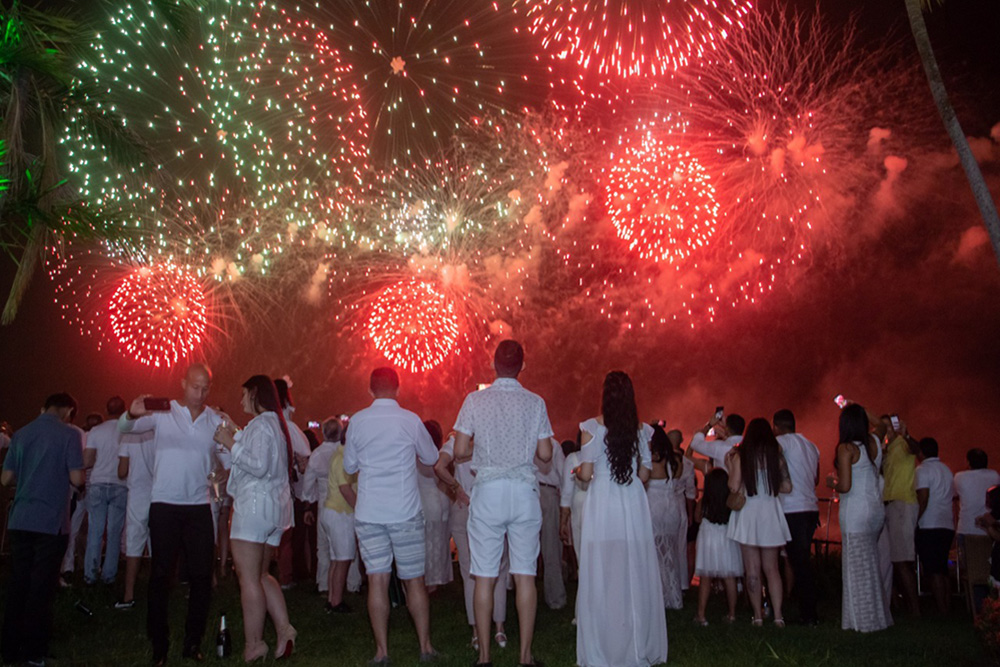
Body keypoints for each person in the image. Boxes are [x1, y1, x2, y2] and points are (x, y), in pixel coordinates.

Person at [119, 363, 231, 665]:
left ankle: (192, 642)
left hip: (199, 506)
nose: (200, 393)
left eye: (205, 388)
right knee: (160, 576)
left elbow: (229, 457)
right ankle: (159, 644)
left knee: (201, 577)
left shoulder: (213, 420)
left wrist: (225, 469)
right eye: (195, 387)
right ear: (183, 383)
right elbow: (124, 429)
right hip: (165, 504)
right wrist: (131, 413)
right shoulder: (164, 412)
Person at [453, 340, 553, 667]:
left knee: (484, 575)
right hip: (523, 492)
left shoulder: (474, 400)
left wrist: (482, 447)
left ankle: (484, 657)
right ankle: (525, 656)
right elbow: (546, 455)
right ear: (522, 366)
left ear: (493, 364)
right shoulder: (535, 402)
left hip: (489, 492)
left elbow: (460, 450)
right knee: (524, 574)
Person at [344, 367, 440, 664]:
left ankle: (382, 651)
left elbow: (349, 467)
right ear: (398, 389)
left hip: (370, 512)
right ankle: (425, 647)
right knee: (414, 580)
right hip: (404, 511)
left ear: (369, 390)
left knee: (377, 580)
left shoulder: (357, 421)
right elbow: (431, 457)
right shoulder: (410, 420)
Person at [575, 371, 667, 667]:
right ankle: (634, 641)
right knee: (632, 570)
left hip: (603, 502)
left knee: (603, 570)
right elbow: (645, 473)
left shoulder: (591, 427)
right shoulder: (641, 430)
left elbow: (586, 473)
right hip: (631, 501)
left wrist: (579, 474)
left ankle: (605, 643)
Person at [213, 375, 296, 661]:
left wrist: (230, 443)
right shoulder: (276, 424)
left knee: (248, 579)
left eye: (244, 394)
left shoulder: (261, 424)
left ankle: (254, 644)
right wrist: (236, 434)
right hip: (275, 510)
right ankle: (284, 629)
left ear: (255, 394)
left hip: (253, 509)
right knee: (261, 575)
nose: (240, 401)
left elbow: (258, 465)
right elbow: (263, 456)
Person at [1, 393, 85, 666]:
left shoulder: (21, 434)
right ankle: (34, 651)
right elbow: (76, 477)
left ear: (43, 408)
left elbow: (5, 478)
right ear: (68, 411)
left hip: (20, 519)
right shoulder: (69, 435)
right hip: (51, 522)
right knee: (41, 588)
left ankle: (9, 649)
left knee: (18, 584)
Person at [435, 432, 510, 652]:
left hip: (465, 507)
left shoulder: (455, 441)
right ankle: (499, 628)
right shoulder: (495, 438)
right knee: (498, 568)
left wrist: (456, 487)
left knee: (470, 572)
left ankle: (477, 632)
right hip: (491, 506)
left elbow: (439, 466)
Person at [829, 403, 892, 632]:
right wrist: (863, 410)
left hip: (856, 512)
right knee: (870, 564)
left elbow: (845, 485)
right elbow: (882, 425)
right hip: (875, 510)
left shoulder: (846, 448)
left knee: (855, 567)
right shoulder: (873, 442)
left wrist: (832, 483)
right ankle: (877, 616)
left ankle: (862, 620)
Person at [726, 418, 792, 627]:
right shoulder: (776, 457)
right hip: (770, 512)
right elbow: (787, 486)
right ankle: (778, 616)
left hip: (749, 513)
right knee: (772, 569)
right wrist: (768, 485)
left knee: (752, 569)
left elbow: (733, 486)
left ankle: (757, 616)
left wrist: (730, 465)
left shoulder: (742, 457)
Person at [772, 409, 821, 625]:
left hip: (793, 509)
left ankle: (808, 614)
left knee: (799, 562)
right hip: (811, 508)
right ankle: (806, 609)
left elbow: (770, 457)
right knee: (801, 560)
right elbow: (816, 478)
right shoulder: (812, 446)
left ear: (776, 426)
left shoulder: (781, 442)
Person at [82, 396, 130, 585]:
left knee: (95, 532)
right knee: (114, 533)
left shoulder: (96, 431)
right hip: (120, 484)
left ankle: (90, 575)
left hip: (98, 482)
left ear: (106, 410)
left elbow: (87, 461)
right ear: (124, 410)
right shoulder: (128, 430)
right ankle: (109, 576)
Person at [880, 414, 921, 616]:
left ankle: (915, 610)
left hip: (902, 503)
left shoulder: (903, 443)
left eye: (888, 427)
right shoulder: (886, 449)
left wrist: (906, 435)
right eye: (883, 427)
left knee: (902, 559)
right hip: (890, 504)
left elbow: (916, 450)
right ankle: (897, 606)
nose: (886, 431)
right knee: (893, 558)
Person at [273, 379, 312, 588]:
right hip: (285, 489)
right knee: (286, 535)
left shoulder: (264, 425)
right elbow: (305, 457)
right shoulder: (289, 428)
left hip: (267, 487)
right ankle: (285, 577)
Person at [693, 468, 743, 625]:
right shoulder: (729, 502)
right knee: (729, 577)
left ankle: (701, 615)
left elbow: (697, 518)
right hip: (726, 538)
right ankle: (732, 614)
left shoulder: (704, 502)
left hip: (707, 538)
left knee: (705, 578)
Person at [953, 448, 1000, 615]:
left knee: (971, 571)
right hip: (990, 531)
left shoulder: (960, 477)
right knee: (989, 568)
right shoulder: (994, 475)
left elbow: (954, 494)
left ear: (968, 462)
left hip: (967, 529)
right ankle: (990, 605)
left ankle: (977, 607)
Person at [646, 423, 687, 610]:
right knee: (670, 552)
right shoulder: (676, 461)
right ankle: (672, 594)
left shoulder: (649, 463)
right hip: (671, 508)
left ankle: (657, 595)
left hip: (653, 507)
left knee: (653, 552)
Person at [319, 418, 357, 614]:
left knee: (336, 559)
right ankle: (336, 602)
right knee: (343, 559)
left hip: (331, 511)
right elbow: (345, 488)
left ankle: (332, 599)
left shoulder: (339, 454)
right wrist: (360, 508)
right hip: (340, 512)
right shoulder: (343, 458)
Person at [914, 437, 955, 614]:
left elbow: (923, 498)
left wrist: (915, 519)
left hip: (929, 523)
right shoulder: (946, 469)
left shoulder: (922, 470)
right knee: (942, 567)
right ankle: (948, 604)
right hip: (947, 523)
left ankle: (942, 608)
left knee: (933, 569)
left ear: (921, 452)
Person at [303, 417, 343, 598]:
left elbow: (308, 483)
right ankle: (352, 582)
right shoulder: (345, 452)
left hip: (324, 503)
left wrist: (308, 503)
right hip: (344, 503)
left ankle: (324, 583)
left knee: (323, 546)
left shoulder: (317, 454)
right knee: (347, 546)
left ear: (324, 433)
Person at [115, 427, 154, 609]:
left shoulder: (128, 435)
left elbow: (122, 471)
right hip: (160, 492)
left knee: (134, 543)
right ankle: (158, 590)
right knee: (159, 543)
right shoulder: (159, 431)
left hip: (138, 493)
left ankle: (128, 594)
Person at [418, 420, 454, 593]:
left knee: (425, 544)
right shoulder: (438, 456)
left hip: (422, 502)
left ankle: (426, 579)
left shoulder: (416, 456)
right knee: (439, 542)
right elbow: (443, 482)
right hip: (439, 500)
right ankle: (436, 579)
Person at [536, 436, 567, 610]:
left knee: (523, 549)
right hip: (548, 492)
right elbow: (563, 474)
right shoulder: (553, 444)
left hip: (528, 492)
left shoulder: (522, 439)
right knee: (552, 548)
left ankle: (520, 593)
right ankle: (555, 598)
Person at [559, 435, 589, 568]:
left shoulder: (573, 459)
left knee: (582, 550)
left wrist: (563, 522)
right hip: (601, 505)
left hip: (580, 505)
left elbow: (567, 493)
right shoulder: (603, 457)